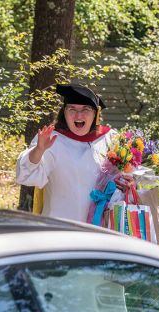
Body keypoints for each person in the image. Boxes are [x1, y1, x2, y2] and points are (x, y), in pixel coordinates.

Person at [16, 83, 132, 222]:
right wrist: (39, 150)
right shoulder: (52, 140)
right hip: (61, 227)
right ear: (64, 112)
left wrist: (130, 184)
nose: (79, 115)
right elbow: (26, 175)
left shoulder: (110, 138)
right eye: (72, 109)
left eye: (86, 109)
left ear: (95, 113)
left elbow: (127, 177)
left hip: (102, 228)